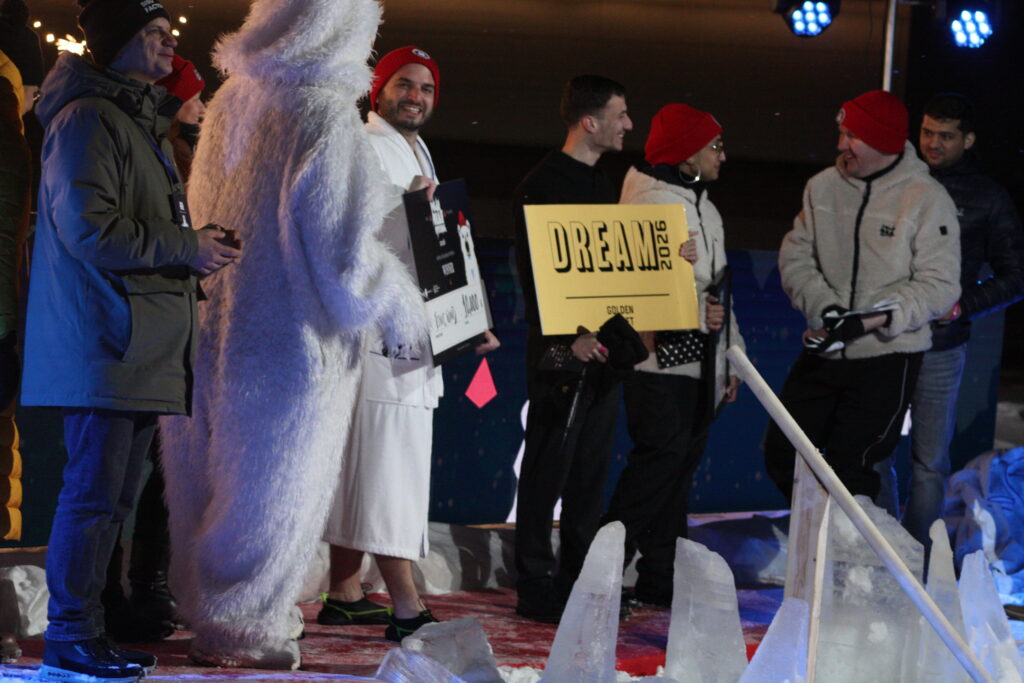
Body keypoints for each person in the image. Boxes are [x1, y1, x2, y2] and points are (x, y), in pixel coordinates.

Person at [159, 0, 427, 669]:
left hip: (213, 323)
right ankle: (244, 628)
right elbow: (342, 258)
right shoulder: (323, 114)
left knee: (206, 480)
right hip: (291, 340)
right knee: (271, 488)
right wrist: (402, 305)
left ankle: (211, 613)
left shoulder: (229, 101)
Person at [21, 1, 239, 680]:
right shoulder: (89, 119)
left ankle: (90, 629)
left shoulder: (129, 117)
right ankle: (70, 635)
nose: (167, 43)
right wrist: (186, 247)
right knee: (92, 498)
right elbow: (90, 230)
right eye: (152, 33)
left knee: (112, 500)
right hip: (105, 341)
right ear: (117, 43)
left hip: (134, 345)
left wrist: (193, 253)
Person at [319, 45, 498, 643]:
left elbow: (438, 248)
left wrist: (469, 319)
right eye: (404, 84)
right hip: (382, 333)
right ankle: (405, 605)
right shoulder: (367, 146)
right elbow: (353, 236)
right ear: (379, 89)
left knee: (371, 461)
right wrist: (410, 206)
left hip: (412, 332)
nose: (415, 96)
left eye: (426, 88)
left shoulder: (415, 150)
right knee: (388, 468)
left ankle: (345, 591)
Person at [763, 89, 961, 502]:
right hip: (827, 346)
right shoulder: (822, 187)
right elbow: (796, 257)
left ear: (882, 141)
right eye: (842, 134)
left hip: (888, 354)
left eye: (852, 136)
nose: (841, 145)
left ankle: (852, 542)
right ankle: (816, 532)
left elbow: (941, 285)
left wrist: (876, 318)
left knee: (854, 465)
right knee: (784, 450)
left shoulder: (926, 198)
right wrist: (827, 310)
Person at [602, 103, 744, 607]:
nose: (722, 155)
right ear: (687, 154)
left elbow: (719, 291)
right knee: (657, 464)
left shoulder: (705, 206)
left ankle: (661, 576)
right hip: (655, 360)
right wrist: (696, 313)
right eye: (714, 146)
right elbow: (641, 287)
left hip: (699, 360)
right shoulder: (649, 203)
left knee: (677, 468)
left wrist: (731, 357)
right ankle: (601, 570)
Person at [877, 93, 1024, 547]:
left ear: (968, 139)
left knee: (929, 460)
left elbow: (1015, 276)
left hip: (941, 343)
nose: (933, 143)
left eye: (945, 136)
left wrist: (961, 306)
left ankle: (917, 554)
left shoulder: (988, 197)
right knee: (875, 449)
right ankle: (880, 544)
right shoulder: (894, 178)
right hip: (883, 338)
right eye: (927, 132)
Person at [512, 74, 633, 623]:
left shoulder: (603, 182)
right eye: (620, 115)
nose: (628, 124)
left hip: (602, 352)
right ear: (590, 121)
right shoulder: (542, 183)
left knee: (589, 473)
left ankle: (579, 581)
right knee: (548, 468)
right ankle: (535, 582)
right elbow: (536, 274)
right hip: (560, 353)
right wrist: (568, 339)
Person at [99, 53, 207, 644]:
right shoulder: (155, 154)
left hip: (176, 327)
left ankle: (147, 582)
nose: (203, 109)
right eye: (194, 96)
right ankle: (117, 593)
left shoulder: (184, 155)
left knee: (160, 468)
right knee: (117, 477)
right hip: (142, 329)